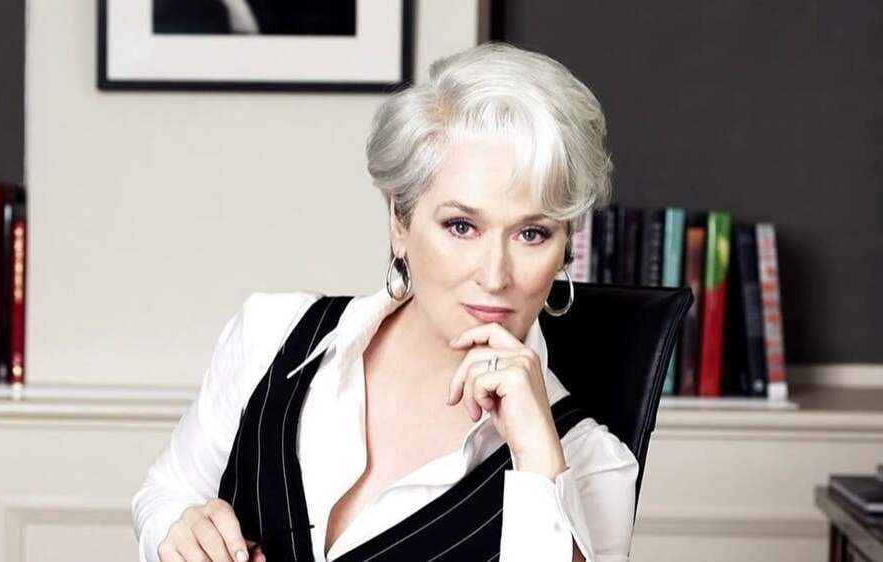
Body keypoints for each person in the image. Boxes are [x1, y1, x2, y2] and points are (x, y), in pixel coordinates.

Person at [132, 41, 638, 562]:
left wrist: (537, 461)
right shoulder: (271, 334)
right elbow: (165, 495)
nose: (494, 276)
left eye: (532, 234)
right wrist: (179, 530)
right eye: (461, 226)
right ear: (400, 219)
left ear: (565, 248)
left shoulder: (591, 464)